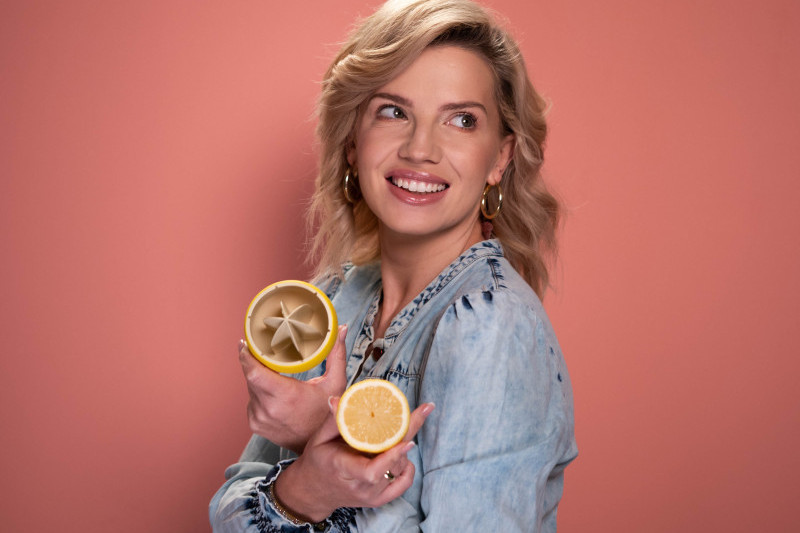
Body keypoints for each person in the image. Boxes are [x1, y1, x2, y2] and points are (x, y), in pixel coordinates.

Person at [210, 0, 577, 530]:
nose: (420, 148)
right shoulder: (336, 297)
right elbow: (227, 514)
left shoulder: (491, 325)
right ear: (353, 143)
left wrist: (316, 441)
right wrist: (310, 479)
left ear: (499, 159)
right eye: (393, 112)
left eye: (461, 120)